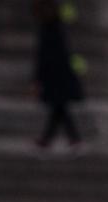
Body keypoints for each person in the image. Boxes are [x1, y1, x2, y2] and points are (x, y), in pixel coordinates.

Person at [32, 0, 82, 149]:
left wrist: (37, 79)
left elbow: (44, 58)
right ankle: (53, 139)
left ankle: (50, 140)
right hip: (59, 77)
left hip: (55, 77)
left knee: (59, 108)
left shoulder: (49, 30)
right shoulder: (56, 28)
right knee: (59, 109)